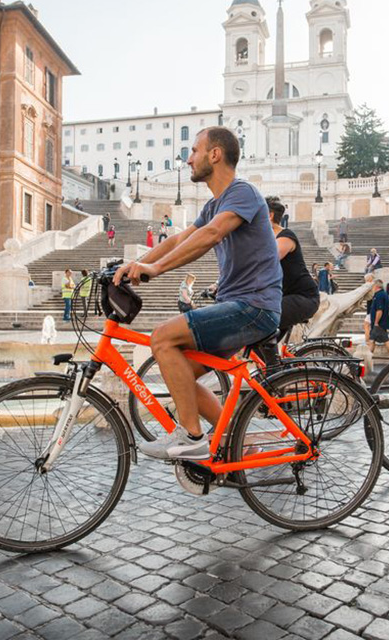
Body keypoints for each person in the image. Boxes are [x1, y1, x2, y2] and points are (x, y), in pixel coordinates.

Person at [113, 126, 281, 460]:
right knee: (182, 374)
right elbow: (178, 239)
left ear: (214, 154)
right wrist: (134, 263)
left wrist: (156, 270)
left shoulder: (242, 192)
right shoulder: (214, 204)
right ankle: (241, 444)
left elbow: (212, 234)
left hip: (254, 306)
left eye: (193, 151)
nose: (188, 159)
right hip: (238, 306)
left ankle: (191, 437)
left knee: (162, 339)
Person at [268, 196, 320, 338]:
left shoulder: (286, 236)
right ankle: (271, 360)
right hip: (286, 297)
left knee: (263, 320)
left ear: (269, 215)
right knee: (261, 343)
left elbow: (267, 261)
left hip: (303, 297)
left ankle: (271, 361)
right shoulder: (267, 240)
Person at [368, 279, 389, 357]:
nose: (372, 287)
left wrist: (376, 322)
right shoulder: (381, 294)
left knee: (385, 341)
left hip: (379, 324)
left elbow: (379, 310)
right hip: (379, 323)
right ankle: (367, 359)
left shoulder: (379, 295)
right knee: (372, 341)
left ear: (376, 286)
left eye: (372, 286)